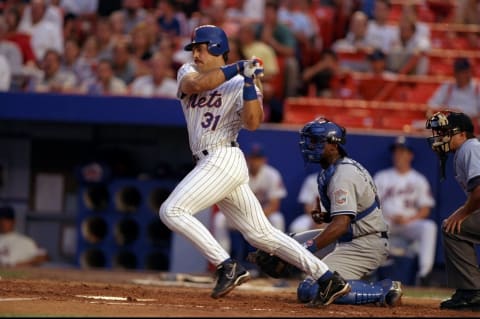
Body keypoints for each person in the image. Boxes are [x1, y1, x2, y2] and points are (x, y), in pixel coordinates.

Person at [158, 24, 351, 306]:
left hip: (223, 156)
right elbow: (197, 86)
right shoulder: (188, 72)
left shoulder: (241, 82)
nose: (196, 55)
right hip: (212, 161)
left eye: (200, 49)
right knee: (261, 235)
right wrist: (239, 68)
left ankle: (227, 266)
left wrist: (249, 82)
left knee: (172, 210)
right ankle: (328, 278)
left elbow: (252, 122)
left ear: (215, 49)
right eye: (195, 50)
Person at [292, 117, 403, 307]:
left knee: (311, 290)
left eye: (317, 141)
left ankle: (385, 290)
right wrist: (327, 216)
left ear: (333, 146)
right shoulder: (337, 167)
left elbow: (342, 224)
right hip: (354, 236)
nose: (310, 145)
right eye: (310, 140)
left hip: (364, 243)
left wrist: (307, 250)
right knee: (290, 243)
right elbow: (352, 214)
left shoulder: (343, 175)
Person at [425, 111, 480, 311]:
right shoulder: (468, 149)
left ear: (462, 134)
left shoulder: (470, 148)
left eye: (446, 132)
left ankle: (471, 292)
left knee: (452, 228)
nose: (440, 137)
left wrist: (463, 213)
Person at [373, 136, 437, 286]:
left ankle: (424, 274)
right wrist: (387, 216)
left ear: (410, 155)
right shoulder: (381, 177)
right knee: (366, 226)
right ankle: (367, 273)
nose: (399, 155)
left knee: (429, 227)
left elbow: (426, 209)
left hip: (409, 223)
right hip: (386, 222)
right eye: (396, 152)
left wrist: (409, 219)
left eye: (403, 152)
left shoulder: (418, 179)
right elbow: (371, 205)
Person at [212, 143, 287, 255]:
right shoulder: (238, 173)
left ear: (264, 160)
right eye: (252, 158)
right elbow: (229, 201)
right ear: (247, 159)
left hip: (263, 216)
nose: (255, 162)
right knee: (219, 219)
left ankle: (276, 258)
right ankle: (223, 260)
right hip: (239, 215)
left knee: (277, 219)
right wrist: (244, 218)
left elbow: (274, 205)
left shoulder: (272, 174)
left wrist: (257, 219)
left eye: (258, 158)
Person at [426, 57, 480, 134]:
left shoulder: (477, 88)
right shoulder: (448, 86)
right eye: (458, 72)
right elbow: (431, 105)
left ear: (469, 72)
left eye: (464, 72)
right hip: (449, 126)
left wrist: (463, 116)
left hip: (471, 127)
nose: (461, 75)